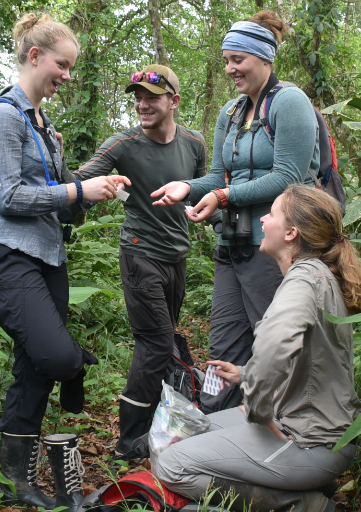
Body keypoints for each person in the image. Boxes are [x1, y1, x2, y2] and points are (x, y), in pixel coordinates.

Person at [0, 13, 130, 510]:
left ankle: (14, 480)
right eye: (62, 64)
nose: (66, 75)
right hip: (4, 256)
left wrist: (94, 192)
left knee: (33, 367)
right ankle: (75, 366)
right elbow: (8, 196)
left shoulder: (44, 125)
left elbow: (63, 199)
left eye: (71, 67)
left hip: (47, 255)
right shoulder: (1, 117)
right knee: (58, 358)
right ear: (34, 56)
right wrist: (77, 188)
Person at [153, 185, 361, 512]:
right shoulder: (316, 275)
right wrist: (245, 374)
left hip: (310, 442)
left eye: (272, 214)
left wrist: (258, 403)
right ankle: (312, 486)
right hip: (314, 433)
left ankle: (306, 504)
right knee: (188, 435)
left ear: (291, 233)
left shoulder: (304, 280)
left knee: (171, 465)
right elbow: (308, 359)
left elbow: (275, 344)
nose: (263, 220)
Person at [151, 11, 321, 412]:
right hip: (233, 244)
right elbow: (216, 176)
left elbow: (289, 177)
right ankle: (215, 427)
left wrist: (225, 197)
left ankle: (290, 432)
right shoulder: (230, 112)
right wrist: (189, 188)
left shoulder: (290, 102)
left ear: (264, 57)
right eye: (226, 60)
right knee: (222, 344)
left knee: (274, 340)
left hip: (278, 246)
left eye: (237, 60)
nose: (230, 68)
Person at [73, 64, 207, 461]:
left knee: (160, 342)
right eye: (138, 97)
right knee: (156, 342)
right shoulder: (123, 144)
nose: (142, 104)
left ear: (174, 101)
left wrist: (211, 212)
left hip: (177, 256)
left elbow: (204, 188)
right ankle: (130, 441)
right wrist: (86, 181)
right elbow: (79, 181)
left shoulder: (194, 143)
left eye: (152, 97)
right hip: (139, 253)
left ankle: (158, 428)